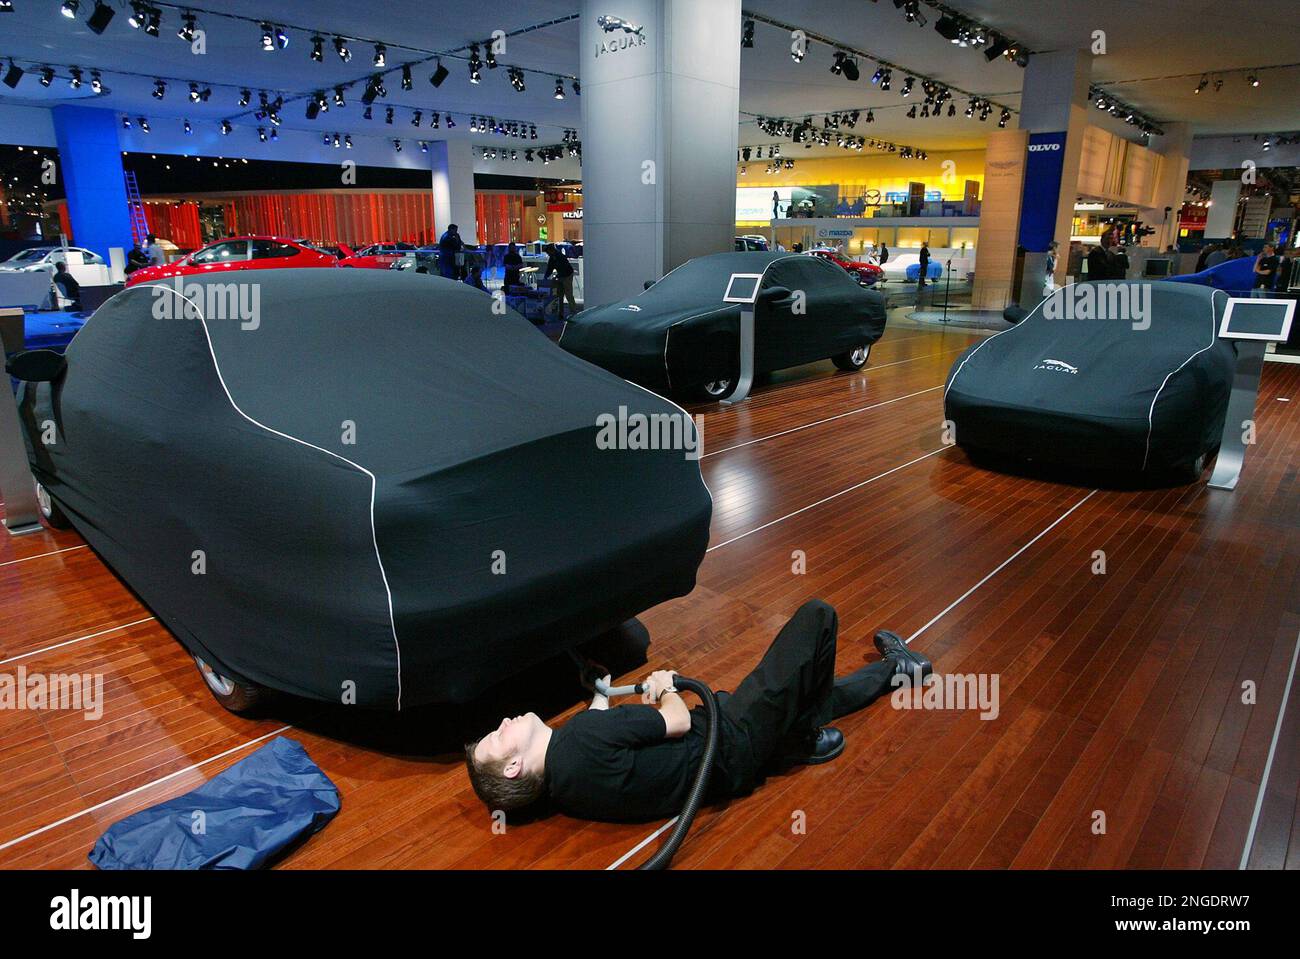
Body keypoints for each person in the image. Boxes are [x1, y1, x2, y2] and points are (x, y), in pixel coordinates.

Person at [464, 599, 932, 821]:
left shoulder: (566, 783)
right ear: (512, 766)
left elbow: (601, 729)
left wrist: (601, 692)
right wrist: (666, 684)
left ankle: (899, 672)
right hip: (731, 739)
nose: (504, 723)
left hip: (726, 763)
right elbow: (679, 719)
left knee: (806, 691)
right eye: (498, 737)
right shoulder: (582, 741)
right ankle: (805, 737)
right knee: (818, 616)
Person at [543, 243, 577, 320]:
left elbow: (564, 269)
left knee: (568, 294)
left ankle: (574, 312)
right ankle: (560, 313)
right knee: (559, 295)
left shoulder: (560, 256)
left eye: (548, 252)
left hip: (567, 275)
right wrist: (545, 277)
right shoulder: (552, 258)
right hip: (561, 275)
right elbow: (550, 268)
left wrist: (557, 276)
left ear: (552, 251)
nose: (548, 254)